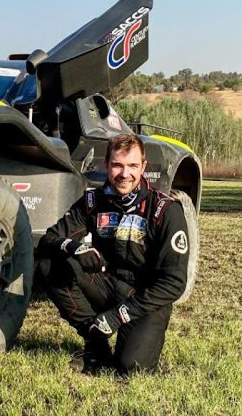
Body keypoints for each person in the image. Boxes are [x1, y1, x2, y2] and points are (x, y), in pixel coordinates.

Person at [37, 133, 189, 375]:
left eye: (132, 166)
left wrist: (118, 316)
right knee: (49, 264)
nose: (124, 174)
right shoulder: (92, 201)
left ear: (143, 167)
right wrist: (76, 247)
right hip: (107, 284)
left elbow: (174, 284)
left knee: (132, 367)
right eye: (117, 165)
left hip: (146, 298)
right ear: (106, 165)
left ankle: (117, 337)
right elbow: (49, 239)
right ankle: (96, 344)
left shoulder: (165, 210)